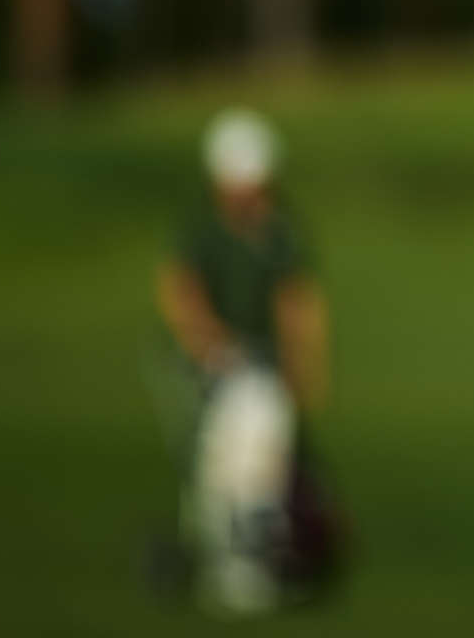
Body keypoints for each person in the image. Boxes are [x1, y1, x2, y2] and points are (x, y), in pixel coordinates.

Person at [154, 107, 340, 614]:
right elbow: (180, 289)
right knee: (220, 467)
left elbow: (296, 302)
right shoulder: (206, 232)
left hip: (265, 366)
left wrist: (305, 363)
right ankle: (224, 565)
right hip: (219, 365)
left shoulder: (280, 233)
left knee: (260, 465)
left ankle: (251, 566)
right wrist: (206, 340)